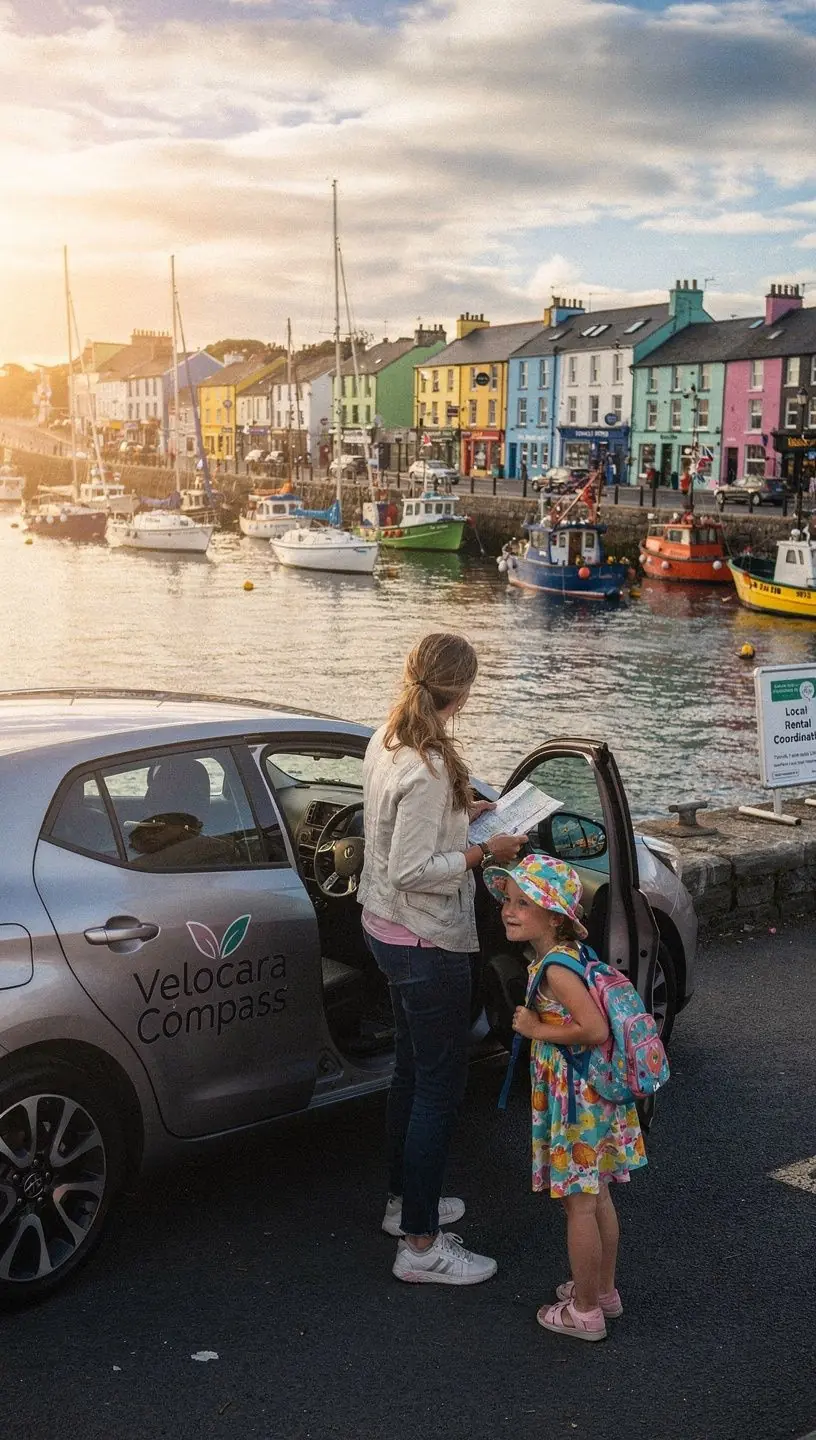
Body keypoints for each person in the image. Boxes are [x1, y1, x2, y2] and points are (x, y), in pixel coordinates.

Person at [359, 633, 526, 1286]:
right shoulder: (428, 765)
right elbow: (411, 870)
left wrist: (465, 817)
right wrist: (483, 852)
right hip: (423, 941)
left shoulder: (386, 740)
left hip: (384, 930)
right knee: (437, 1089)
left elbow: (399, 833)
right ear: (461, 692)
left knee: (410, 1073)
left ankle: (406, 1207)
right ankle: (422, 1247)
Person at [486, 854, 646, 1342]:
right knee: (597, 1197)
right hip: (594, 1096)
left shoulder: (556, 970)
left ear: (555, 916)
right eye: (507, 902)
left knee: (578, 1205)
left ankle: (583, 1312)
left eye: (523, 904)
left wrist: (536, 1027)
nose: (508, 912)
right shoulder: (574, 955)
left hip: (576, 1101)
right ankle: (603, 1291)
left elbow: (593, 1029)